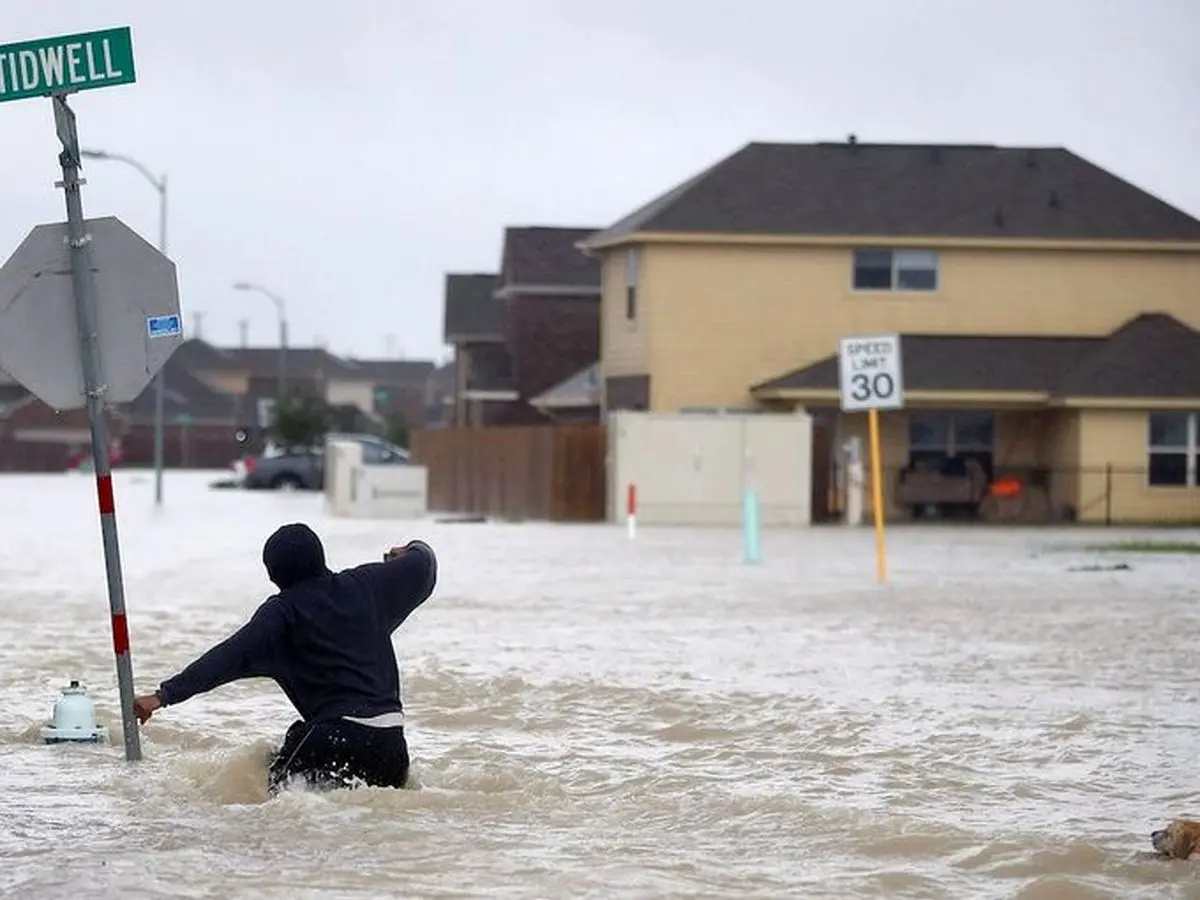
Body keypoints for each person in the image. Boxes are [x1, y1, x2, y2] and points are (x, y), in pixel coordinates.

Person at [133, 522, 437, 794]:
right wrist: (409, 549)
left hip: (334, 739)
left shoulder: (281, 616)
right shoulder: (368, 586)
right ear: (321, 555)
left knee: (275, 803)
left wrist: (163, 696)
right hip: (392, 751)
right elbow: (425, 563)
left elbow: (226, 657)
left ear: (272, 574)